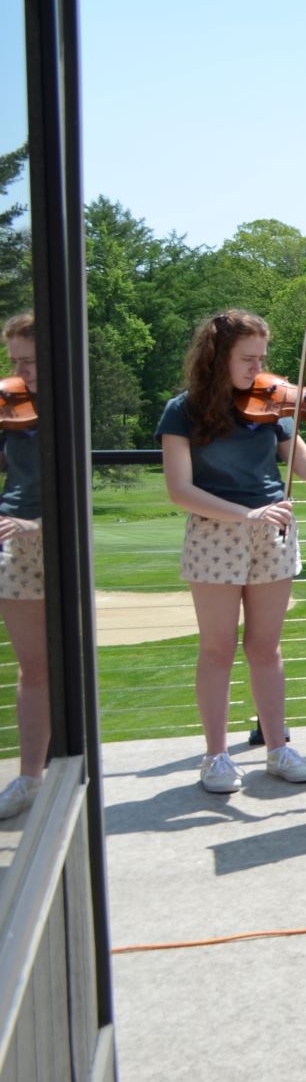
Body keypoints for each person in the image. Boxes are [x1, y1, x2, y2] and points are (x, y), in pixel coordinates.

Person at [158, 309, 306, 794]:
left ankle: (277, 747)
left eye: (262, 358)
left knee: (265, 647)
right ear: (217, 358)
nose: (259, 369)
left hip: (273, 531)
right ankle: (215, 756)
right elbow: (179, 490)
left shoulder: (272, 408)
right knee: (216, 650)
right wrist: (245, 514)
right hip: (215, 532)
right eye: (247, 359)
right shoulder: (182, 410)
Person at [0, 315, 45, 820]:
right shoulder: (9, 407)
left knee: (68, 667)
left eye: (28, 361)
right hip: (13, 538)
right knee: (30, 668)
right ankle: (29, 777)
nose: (18, 374)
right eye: (13, 362)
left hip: (57, 539)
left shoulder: (72, 405)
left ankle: (67, 770)